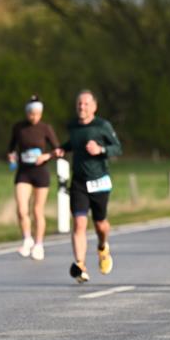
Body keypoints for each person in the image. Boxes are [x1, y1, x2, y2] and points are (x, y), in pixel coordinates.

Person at [54, 90, 122, 282]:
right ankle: (80, 265)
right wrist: (63, 148)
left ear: (94, 106)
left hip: (99, 180)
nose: (81, 107)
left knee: (100, 224)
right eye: (79, 104)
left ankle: (102, 246)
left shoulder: (102, 126)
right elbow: (74, 143)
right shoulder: (73, 126)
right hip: (79, 182)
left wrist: (100, 149)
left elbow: (118, 147)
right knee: (79, 223)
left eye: (85, 104)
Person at [7, 95, 61, 260]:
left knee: (38, 210)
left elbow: (58, 150)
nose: (34, 116)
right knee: (22, 209)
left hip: (40, 172)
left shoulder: (45, 128)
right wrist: (11, 156)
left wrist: (46, 156)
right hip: (24, 171)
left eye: (37, 113)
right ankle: (27, 239)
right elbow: (11, 148)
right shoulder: (19, 128)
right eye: (32, 113)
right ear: (27, 113)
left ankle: (39, 245)